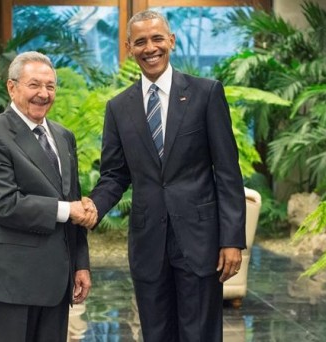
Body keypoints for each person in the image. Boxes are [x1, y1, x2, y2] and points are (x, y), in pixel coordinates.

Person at [87, 10, 247, 341]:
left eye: (157, 39)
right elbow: (115, 175)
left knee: (199, 334)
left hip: (200, 242)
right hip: (149, 245)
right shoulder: (118, 108)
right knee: (156, 334)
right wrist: (92, 208)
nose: (151, 48)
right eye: (141, 42)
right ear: (130, 48)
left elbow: (228, 172)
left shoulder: (206, 94)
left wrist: (232, 240)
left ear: (170, 41)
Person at [0, 51, 97, 342]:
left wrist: (81, 264)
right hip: (13, 281)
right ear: (11, 87)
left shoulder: (64, 136)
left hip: (57, 282)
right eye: (34, 85)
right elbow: (4, 204)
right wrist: (67, 210)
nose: (43, 94)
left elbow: (73, 198)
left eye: (50, 86)